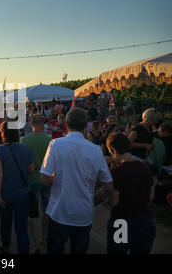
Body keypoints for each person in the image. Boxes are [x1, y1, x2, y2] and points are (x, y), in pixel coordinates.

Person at [40, 107, 115, 254]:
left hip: (59, 212)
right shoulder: (95, 150)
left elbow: (45, 180)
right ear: (85, 125)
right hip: (83, 214)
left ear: (66, 124)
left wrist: (59, 176)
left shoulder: (56, 144)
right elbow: (109, 185)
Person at [105, 133, 156, 254]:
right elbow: (151, 197)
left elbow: (114, 202)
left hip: (121, 223)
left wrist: (107, 195)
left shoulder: (117, 172)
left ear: (113, 150)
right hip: (145, 222)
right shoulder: (146, 168)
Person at [0, 120, 35, 254]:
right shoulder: (26, 149)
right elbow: (31, 170)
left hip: (6, 193)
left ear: (3, 133)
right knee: (21, 227)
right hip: (22, 194)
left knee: (5, 223)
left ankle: (5, 245)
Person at [20, 114, 52, 252]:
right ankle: (43, 237)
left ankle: (34, 241)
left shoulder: (24, 140)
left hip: (31, 178)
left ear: (30, 123)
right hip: (46, 178)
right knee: (46, 210)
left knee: (31, 213)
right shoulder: (50, 140)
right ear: (43, 123)